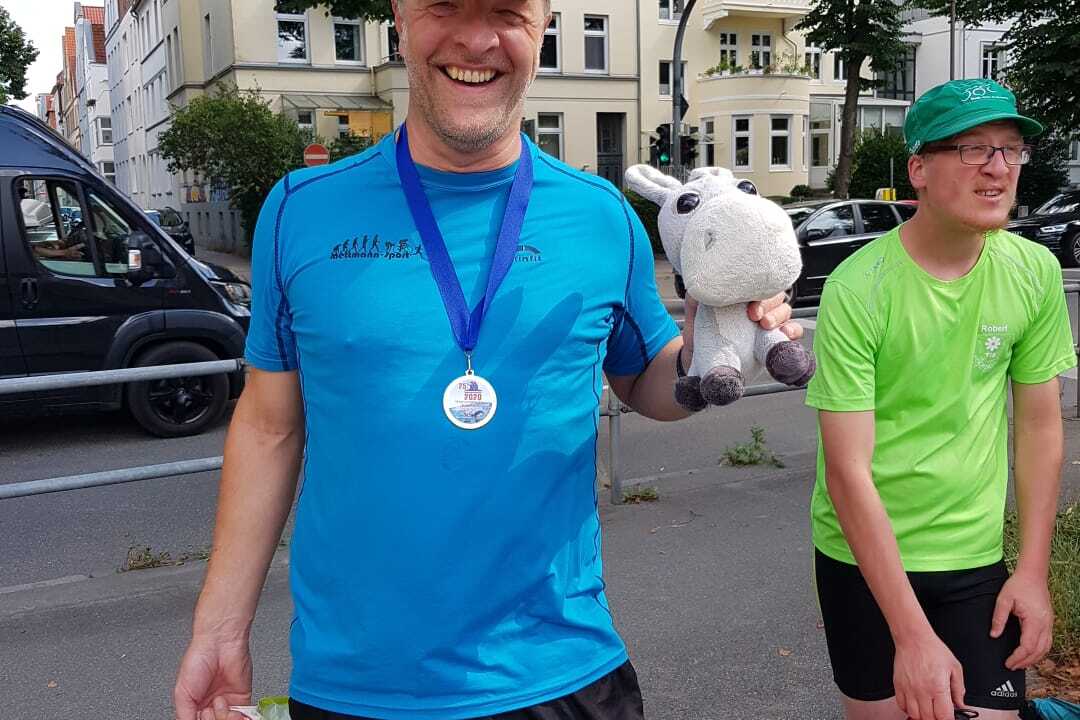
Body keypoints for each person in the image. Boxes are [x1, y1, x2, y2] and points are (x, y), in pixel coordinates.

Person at [173, 2, 802, 719]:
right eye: (445, 5)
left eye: (506, 10)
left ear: (542, 27)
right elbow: (267, 429)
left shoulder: (601, 216)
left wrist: (715, 349)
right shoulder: (300, 210)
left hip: (562, 672)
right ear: (400, 19)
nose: (477, 40)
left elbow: (646, 379)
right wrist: (219, 629)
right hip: (359, 685)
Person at [806, 78, 1075, 720]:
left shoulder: (1032, 271)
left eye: (1011, 150)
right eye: (973, 148)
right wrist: (910, 635)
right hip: (864, 562)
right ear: (918, 169)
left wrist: (1032, 571)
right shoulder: (859, 287)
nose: (998, 167)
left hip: (973, 557)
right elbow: (847, 469)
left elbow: (1038, 429)